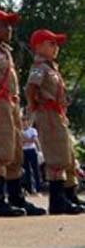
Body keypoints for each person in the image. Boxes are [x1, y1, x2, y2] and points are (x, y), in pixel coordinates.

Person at [0, 9, 44, 217]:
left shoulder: (5, 51)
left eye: (9, 25)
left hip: (10, 102)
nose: (8, 29)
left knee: (15, 152)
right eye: (3, 24)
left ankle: (16, 197)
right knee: (0, 152)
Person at [25, 29, 83, 215]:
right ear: (39, 46)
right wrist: (35, 106)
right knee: (56, 156)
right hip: (48, 113)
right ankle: (57, 201)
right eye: (51, 43)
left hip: (57, 113)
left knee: (67, 154)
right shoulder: (39, 67)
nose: (56, 47)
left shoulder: (51, 68)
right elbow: (31, 88)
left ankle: (69, 194)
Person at [21, 117, 41, 194]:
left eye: (25, 121)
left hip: (32, 150)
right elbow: (21, 142)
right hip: (24, 151)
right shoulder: (20, 131)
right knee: (27, 171)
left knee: (36, 169)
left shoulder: (32, 130)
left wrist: (25, 140)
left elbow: (34, 140)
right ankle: (29, 189)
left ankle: (38, 188)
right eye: (22, 121)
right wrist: (28, 140)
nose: (24, 123)